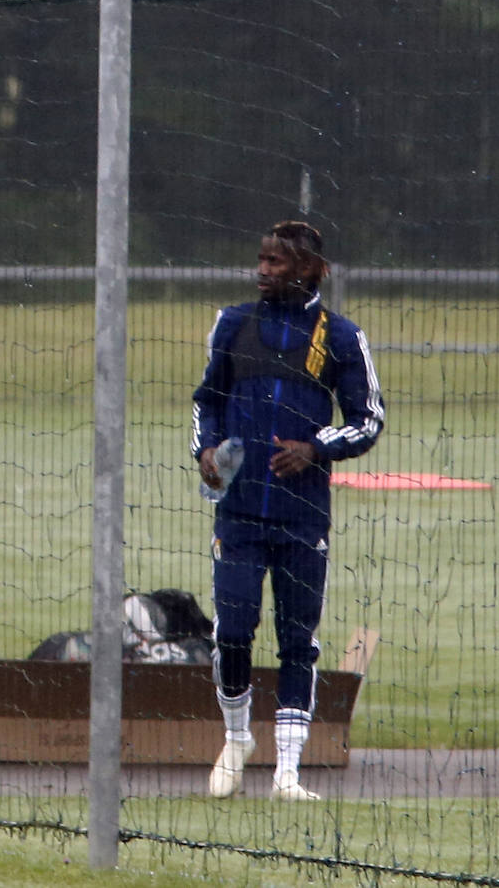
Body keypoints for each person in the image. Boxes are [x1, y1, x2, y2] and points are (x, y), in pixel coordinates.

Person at [192, 220, 385, 801]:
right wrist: (205, 449)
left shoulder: (343, 338)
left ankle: (288, 773)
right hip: (240, 513)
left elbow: (369, 420)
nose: (264, 270)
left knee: (298, 638)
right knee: (232, 628)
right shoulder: (232, 324)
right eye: (261, 260)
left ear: (309, 269)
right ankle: (235, 737)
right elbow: (207, 400)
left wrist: (317, 447)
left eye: (276, 262)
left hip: (304, 517)